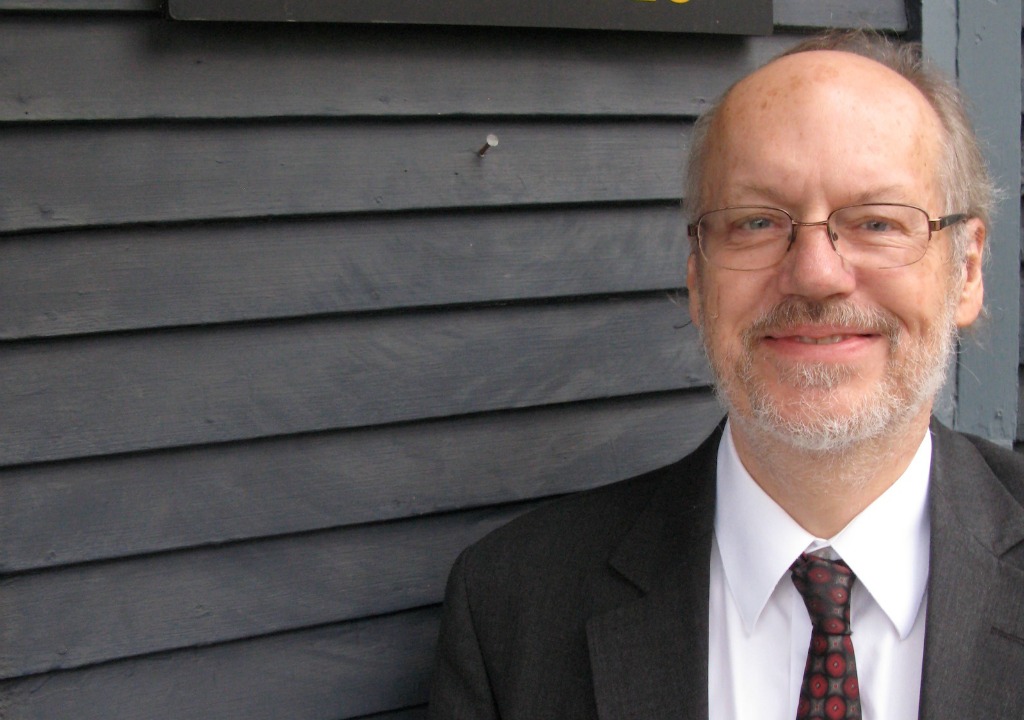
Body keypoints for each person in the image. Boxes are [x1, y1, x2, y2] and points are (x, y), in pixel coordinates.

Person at [427, 31, 1024, 720]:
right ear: (697, 278)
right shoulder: (512, 607)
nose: (816, 274)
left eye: (878, 223)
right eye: (758, 222)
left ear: (967, 270)